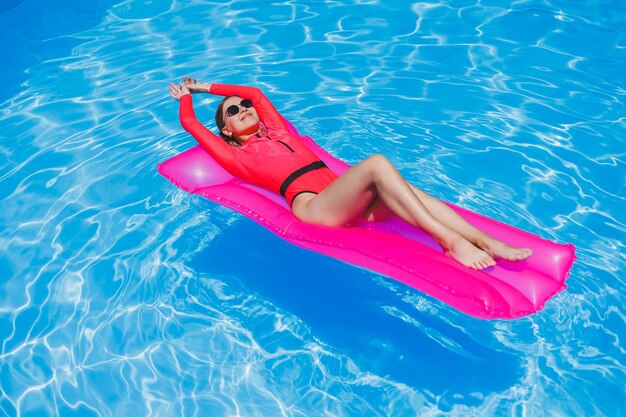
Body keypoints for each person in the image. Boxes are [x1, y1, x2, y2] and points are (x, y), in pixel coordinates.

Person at [169, 77, 532, 270]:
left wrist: (209, 87)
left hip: (342, 197)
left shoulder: (280, 132)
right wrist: (188, 95)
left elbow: (255, 92)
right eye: (233, 111)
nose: (245, 108)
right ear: (227, 131)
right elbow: (190, 122)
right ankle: (450, 242)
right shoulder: (238, 156)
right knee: (376, 163)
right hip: (314, 207)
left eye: (246, 107)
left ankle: (486, 241)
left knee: (411, 189)